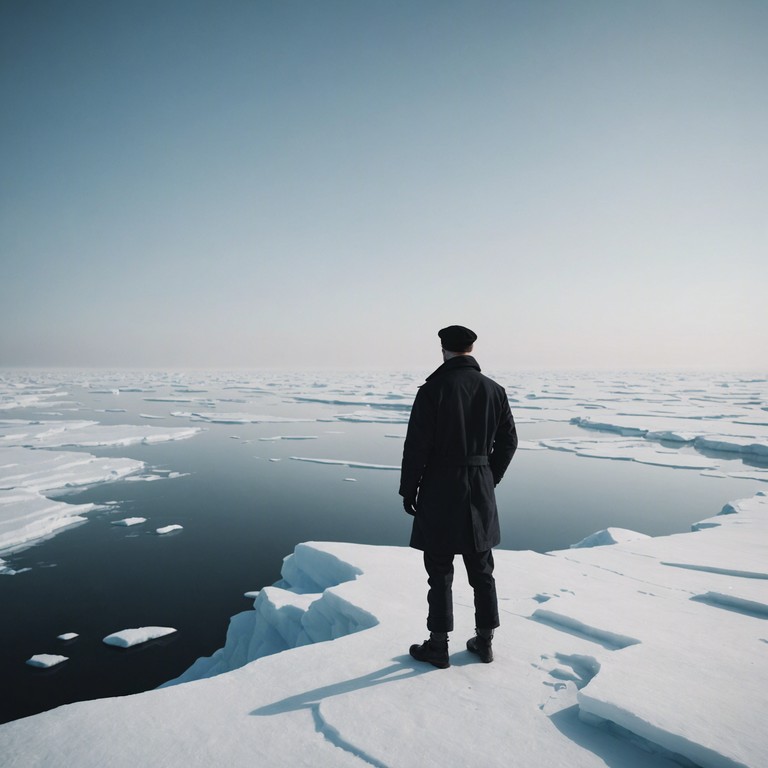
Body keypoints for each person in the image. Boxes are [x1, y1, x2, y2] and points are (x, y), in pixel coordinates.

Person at [400, 325, 517, 668]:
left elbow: (416, 448)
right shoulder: (495, 390)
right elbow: (509, 442)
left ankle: (438, 646)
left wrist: (410, 489)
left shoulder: (432, 390)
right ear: (471, 348)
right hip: (479, 488)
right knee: (482, 569)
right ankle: (485, 642)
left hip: (439, 488)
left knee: (439, 570)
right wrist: (488, 476)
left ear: (444, 349)